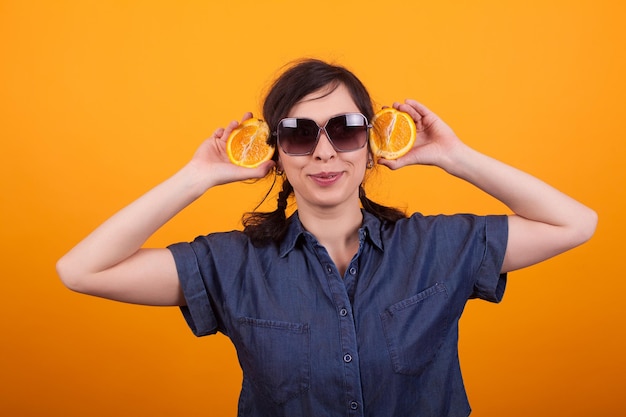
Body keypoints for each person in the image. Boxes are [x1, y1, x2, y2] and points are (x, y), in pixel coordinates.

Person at [56, 59, 597, 417]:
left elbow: (576, 223)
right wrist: (196, 177)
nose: (324, 152)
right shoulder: (230, 264)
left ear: (371, 142)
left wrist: (457, 158)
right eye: (298, 134)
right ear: (274, 153)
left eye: (344, 129)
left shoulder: (439, 247)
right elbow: (81, 270)